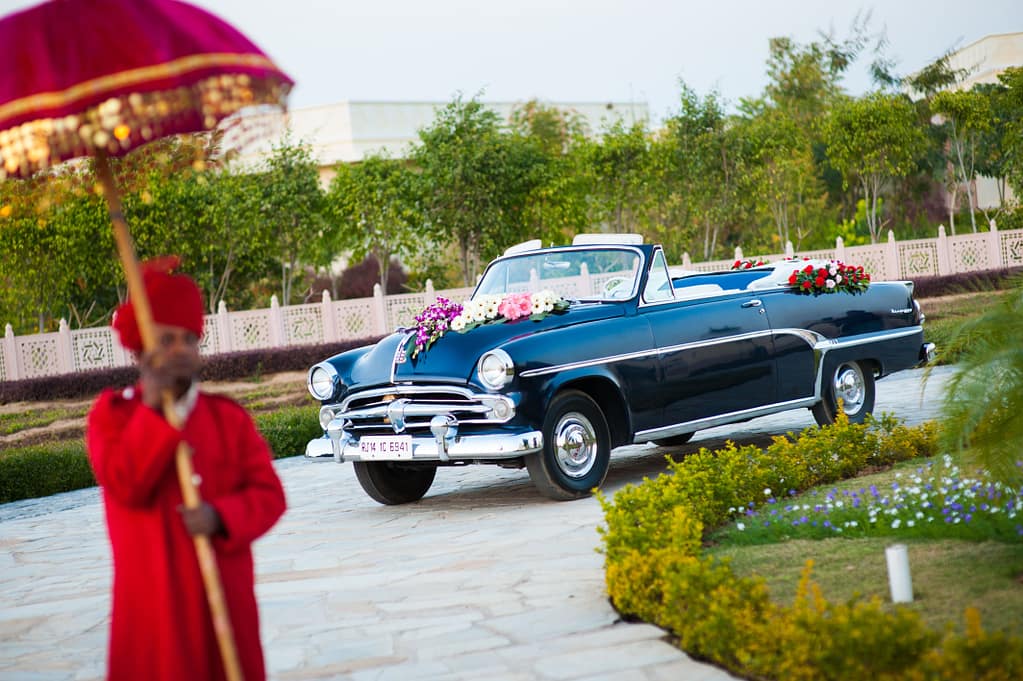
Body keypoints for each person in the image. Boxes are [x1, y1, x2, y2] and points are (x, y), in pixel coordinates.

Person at [86, 257, 286, 681]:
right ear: (140, 350)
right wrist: (154, 411)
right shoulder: (112, 418)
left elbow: (269, 495)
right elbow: (127, 485)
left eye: (188, 340)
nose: (179, 350)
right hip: (153, 611)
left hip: (222, 606)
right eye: (165, 340)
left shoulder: (227, 419)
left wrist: (221, 516)